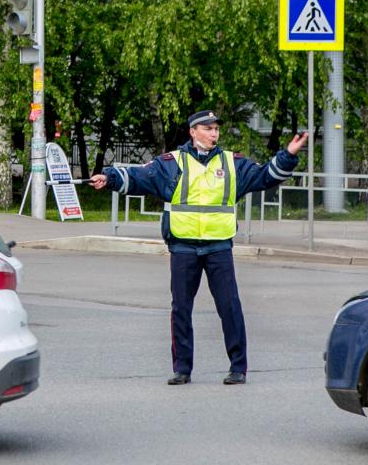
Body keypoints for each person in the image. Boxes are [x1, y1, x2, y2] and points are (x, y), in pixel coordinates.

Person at [90, 110, 307, 386]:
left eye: (216, 129)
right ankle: (182, 369)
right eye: (208, 128)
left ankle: (238, 368)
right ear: (193, 132)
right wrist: (108, 178)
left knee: (229, 307)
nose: (214, 133)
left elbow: (266, 177)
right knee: (181, 308)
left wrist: (288, 154)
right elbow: (139, 177)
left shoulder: (232, 163)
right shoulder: (171, 163)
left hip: (218, 247)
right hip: (183, 247)